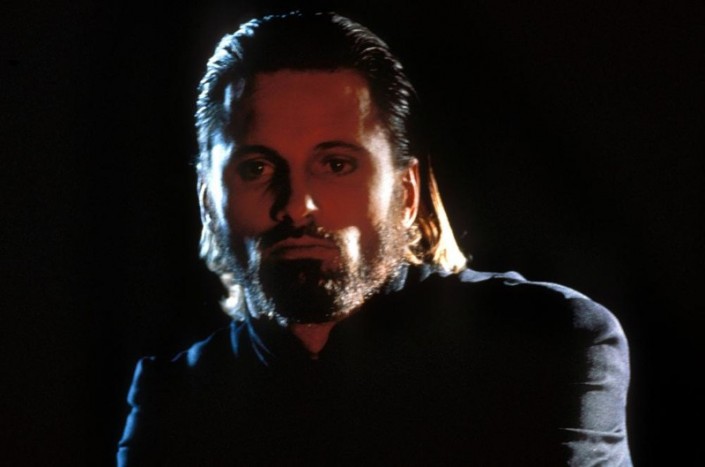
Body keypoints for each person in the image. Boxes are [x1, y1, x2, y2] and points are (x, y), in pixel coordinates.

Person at [117, 11, 632, 466]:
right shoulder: (176, 398)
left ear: (405, 193)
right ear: (209, 201)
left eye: (336, 164)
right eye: (256, 168)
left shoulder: (542, 342)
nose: (297, 205)